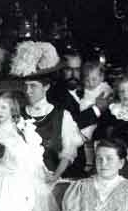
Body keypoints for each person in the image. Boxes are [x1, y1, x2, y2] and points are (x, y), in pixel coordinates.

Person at [10, 41, 83, 182]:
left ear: (46, 87)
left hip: (52, 180)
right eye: (25, 86)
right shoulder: (18, 114)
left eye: (33, 86)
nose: (28, 91)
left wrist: (54, 176)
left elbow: (68, 153)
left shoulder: (62, 116)